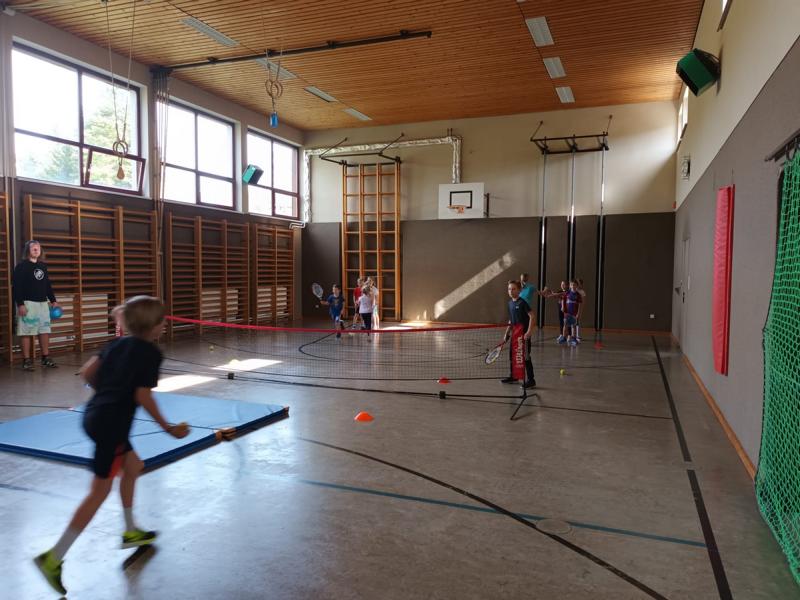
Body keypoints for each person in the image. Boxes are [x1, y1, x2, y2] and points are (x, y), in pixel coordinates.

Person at [34, 296, 190, 596]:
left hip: (96, 415)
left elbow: (88, 373)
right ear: (153, 326)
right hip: (111, 426)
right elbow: (143, 396)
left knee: (134, 466)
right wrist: (168, 428)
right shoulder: (151, 354)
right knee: (99, 492)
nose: (165, 324)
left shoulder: (117, 344)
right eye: (162, 320)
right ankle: (53, 558)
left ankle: (131, 531)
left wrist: (109, 391)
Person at [12, 240, 60, 371]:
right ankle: (26, 361)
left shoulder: (42, 266)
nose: (36, 250)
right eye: (33, 248)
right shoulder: (21, 267)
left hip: (43, 304)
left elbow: (47, 285)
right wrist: (20, 304)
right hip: (28, 304)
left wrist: (53, 300)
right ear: (28, 250)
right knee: (26, 332)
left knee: (44, 331)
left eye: (38, 248)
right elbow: (17, 287)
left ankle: (46, 358)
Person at [501, 280, 536, 388]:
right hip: (515, 334)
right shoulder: (510, 303)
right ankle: (514, 376)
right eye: (509, 289)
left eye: (513, 289)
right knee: (512, 355)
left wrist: (529, 331)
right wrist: (507, 333)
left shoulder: (522, 302)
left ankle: (531, 380)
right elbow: (511, 320)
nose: (511, 291)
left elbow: (532, 316)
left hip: (523, 335)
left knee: (525, 357)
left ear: (519, 290)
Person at [554, 280, 583, 346]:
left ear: (577, 286)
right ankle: (564, 337)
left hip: (574, 313)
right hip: (567, 312)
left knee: (573, 326)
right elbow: (563, 299)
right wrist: (563, 307)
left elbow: (580, 304)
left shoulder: (578, 295)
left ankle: (573, 338)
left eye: (574, 285)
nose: (573, 286)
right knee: (565, 324)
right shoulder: (567, 293)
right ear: (570, 286)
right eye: (571, 285)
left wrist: (578, 313)